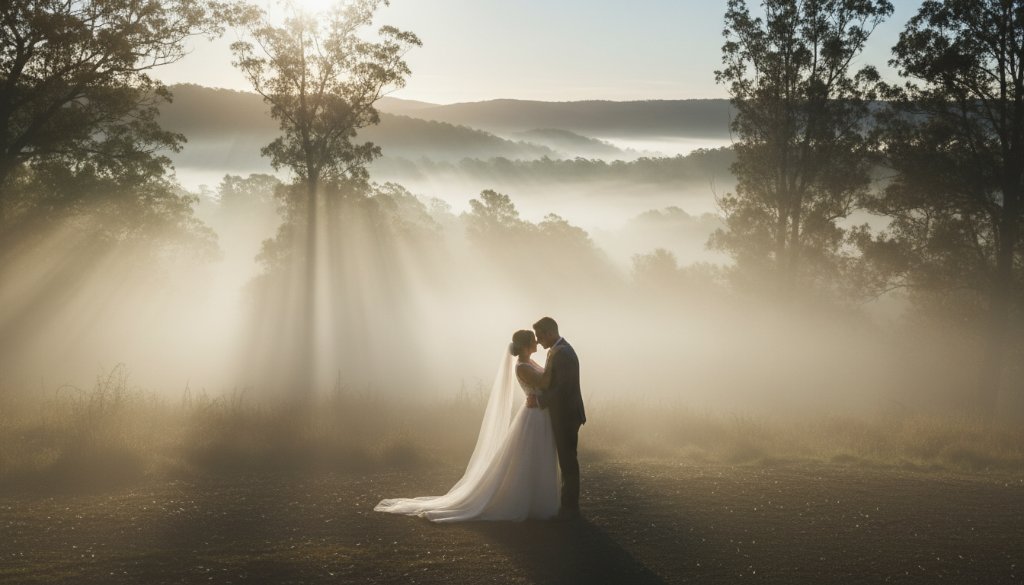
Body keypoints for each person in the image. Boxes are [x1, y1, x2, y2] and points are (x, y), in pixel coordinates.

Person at [374, 329, 559, 522]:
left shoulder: (529, 362)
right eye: (533, 340)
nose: (537, 342)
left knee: (536, 455)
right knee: (529, 456)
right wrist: (553, 358)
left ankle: (535, 500)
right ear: (526, 345)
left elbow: (546, 378)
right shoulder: (522, 367)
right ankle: (525, 500)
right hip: (533, 416)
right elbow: (544, 382)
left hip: (539, 412)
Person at [530, 316, 585, 520]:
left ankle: (570, 508)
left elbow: (562, 388)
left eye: (540, 336)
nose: (538, 341)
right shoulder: (559, 350)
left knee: (568, 460)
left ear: (550, 333)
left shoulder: (563, 354)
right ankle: (568, 505)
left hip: (567, 415)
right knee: (566, 459)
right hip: (564, 413)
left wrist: (539, 401)